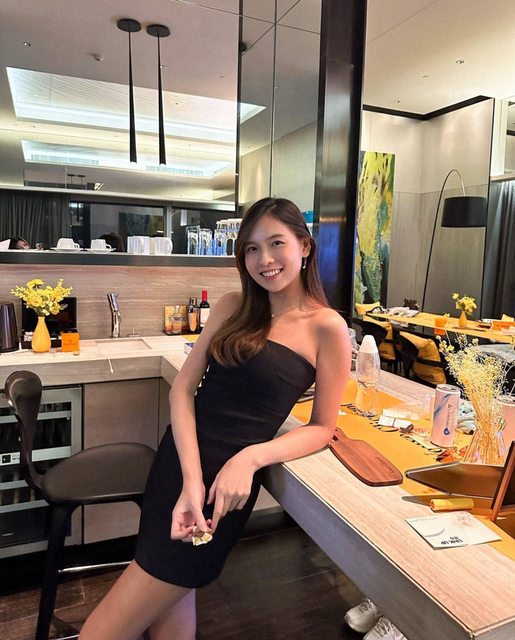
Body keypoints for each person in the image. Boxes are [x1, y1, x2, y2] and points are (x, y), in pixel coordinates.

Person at [79, 197, 351, 640]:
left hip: (223, 493)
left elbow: (323, 427)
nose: (264, 260)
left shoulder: (327, 327)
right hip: (178, 468)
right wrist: (190, 480)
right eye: (252, 249)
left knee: (108, 627)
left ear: (304, 246)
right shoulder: (232, 306)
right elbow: (183, 391)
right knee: (171, 602)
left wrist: (249, 459)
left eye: (276, 243)